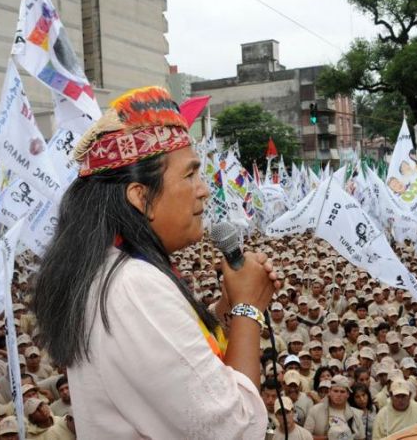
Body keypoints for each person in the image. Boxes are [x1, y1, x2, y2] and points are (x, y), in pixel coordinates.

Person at [32, 87, 281, 439]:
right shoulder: (132, 286)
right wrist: (248, 309)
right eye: (190, 175)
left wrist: (225, 309)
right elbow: (235, 428)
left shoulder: (115, 273)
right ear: (141, 196)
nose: (203, 190)